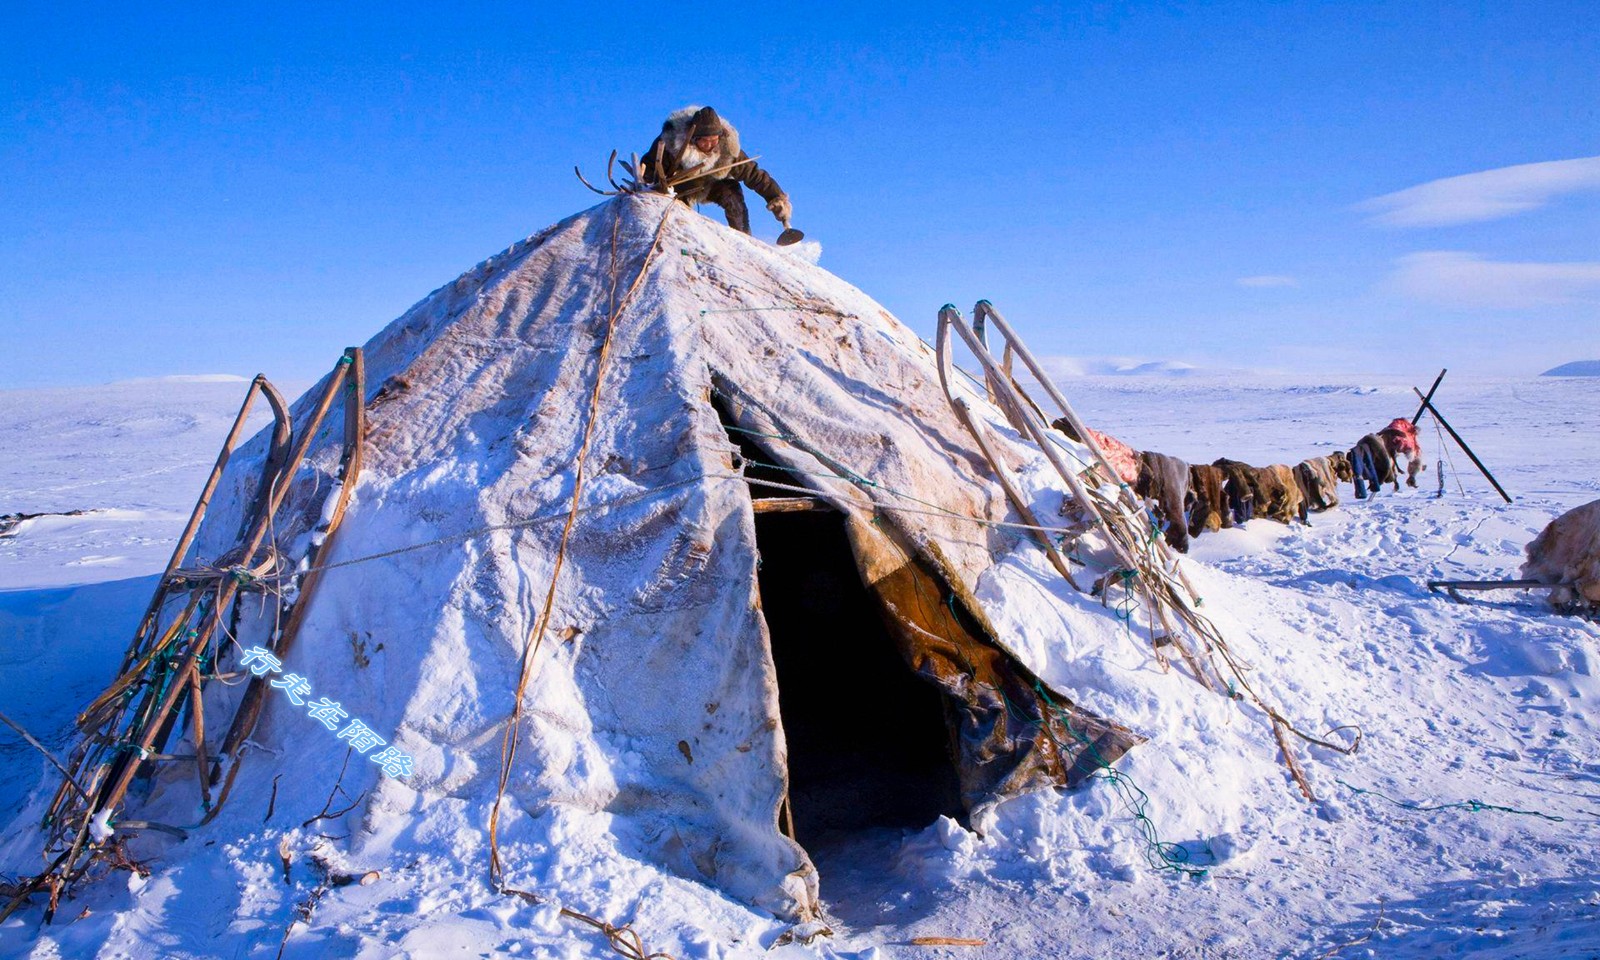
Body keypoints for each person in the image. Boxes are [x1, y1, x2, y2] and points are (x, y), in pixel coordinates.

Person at [640, 106, 792, 235]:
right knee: (678, 213)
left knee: (732, 193)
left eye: (714, 140)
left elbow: (753, 174)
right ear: (693, 138)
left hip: (710, 183)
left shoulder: (727, 148)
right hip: (679, 187)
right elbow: (648, 166)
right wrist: (652, 184)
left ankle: (744, 240)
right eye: (705, 141)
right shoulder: (670, 142)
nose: (711, 145)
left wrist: (775, 197)